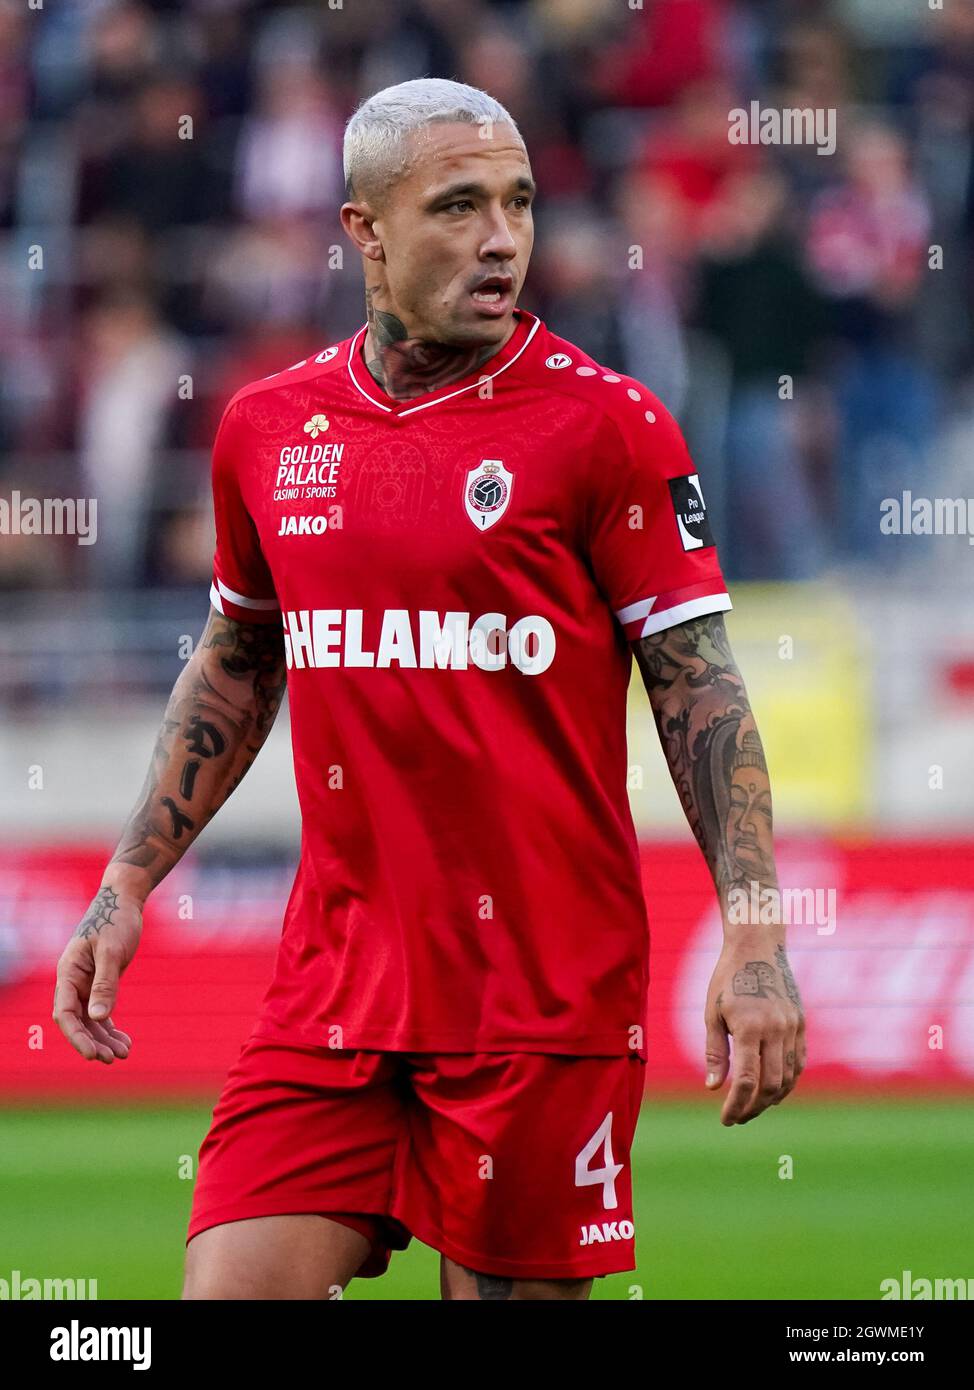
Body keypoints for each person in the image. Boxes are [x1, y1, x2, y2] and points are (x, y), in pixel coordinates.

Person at [53, 78, 805, 1302]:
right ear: (364, 230)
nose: (500, 237)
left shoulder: (605, 427)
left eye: (515, 202)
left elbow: (698, 688)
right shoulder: (267, 428)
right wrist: (125, 885)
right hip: (332, 991)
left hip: (539, 1002)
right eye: (456, 206)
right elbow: (237, 663)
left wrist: (757, 934)